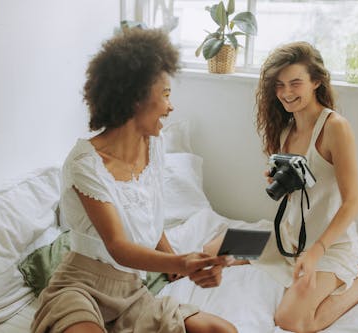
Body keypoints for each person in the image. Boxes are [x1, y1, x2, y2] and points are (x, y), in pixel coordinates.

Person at [31, 28, 237, 333]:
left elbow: (149, 217)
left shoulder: (155, 145)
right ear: (136, 100)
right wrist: (181, 263)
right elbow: (118, 246)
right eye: (165, 95)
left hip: (132, 291)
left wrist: (176, 262)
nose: (171, 106)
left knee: (223, 330)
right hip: (80, 288)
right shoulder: (85, 162)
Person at [251, 41, 358, 332]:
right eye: (279, 85)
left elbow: (352, 202)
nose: (286, 93)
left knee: (290, 320)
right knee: (218, 246)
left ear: (316, 82)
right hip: (289, 239)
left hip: (329, 246)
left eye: (295, 83)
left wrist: (316, 251)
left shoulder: (335, 127)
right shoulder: (286, 127)